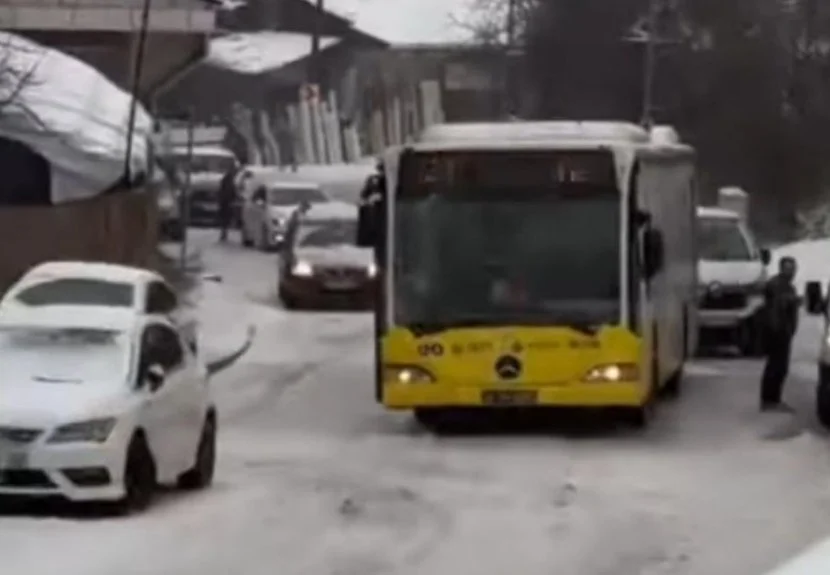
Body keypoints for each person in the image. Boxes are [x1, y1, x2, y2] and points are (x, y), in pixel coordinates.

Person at [760, 256, 800, 412]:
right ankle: (769, 400)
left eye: (793, 268)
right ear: (781, 268)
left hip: (784, 331)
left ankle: (772, 399)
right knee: (776, 366)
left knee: (780, 367)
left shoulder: (787, 286)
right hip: (777, 331)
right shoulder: (776, 285)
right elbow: (777, 305)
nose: (791, 271)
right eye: (788, 268)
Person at [218, 164, 238, 242]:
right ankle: (224, 233)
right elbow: (227, 191)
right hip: (226, 201)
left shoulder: (229, 179)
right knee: (225, 218)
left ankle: (224, 232)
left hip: (226, 201)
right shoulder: (228, 179)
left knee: (225, 218)